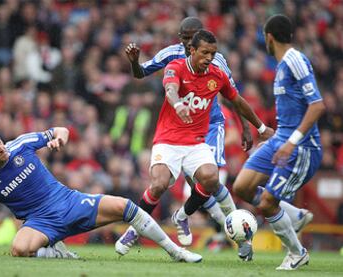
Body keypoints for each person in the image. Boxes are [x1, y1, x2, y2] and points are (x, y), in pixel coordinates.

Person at [0, 126, 202, 263]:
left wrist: (60, 138)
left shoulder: (21, 144)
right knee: (18, 249)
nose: (1, 148)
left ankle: (175, 251)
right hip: (38, 221)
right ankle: (56, 253)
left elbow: (60, 129)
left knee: (125, 205)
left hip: (68, 201)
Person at [116, 30, 274, 256]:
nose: (209, 58)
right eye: (204, 53)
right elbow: (170, 89)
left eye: (213, 53)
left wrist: (260, 128)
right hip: (168, 139)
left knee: (211, 179)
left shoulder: (217, 76)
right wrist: (178, 103)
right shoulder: (176, 67)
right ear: (191, 50)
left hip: (195, 142)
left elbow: (238, 102)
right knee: (159, 185)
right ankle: (133, 230)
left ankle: (182, 216)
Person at [124, 17, 252, 229]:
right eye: (185, 38)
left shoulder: (216, 60)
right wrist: (134, 62)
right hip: (178, 128)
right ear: (180, 38)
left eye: (193, 37)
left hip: (210, 125)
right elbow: (140, 73)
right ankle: (196, 220)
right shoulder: (171, 54)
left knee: (211, 179)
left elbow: (234, 96)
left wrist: (245, 127)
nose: (188, 42)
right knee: (195, 183)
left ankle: (230, 228)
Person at [232, 14, 325, 270]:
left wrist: (291, 142)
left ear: (268, 37)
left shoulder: (295, 60)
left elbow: (317, 106)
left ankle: (297, 253)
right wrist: (276, 137)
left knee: (266, 203)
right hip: (281, 138)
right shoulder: (281, 65)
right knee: (242, 187)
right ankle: (294, 215)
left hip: (303, 147)